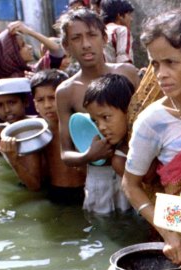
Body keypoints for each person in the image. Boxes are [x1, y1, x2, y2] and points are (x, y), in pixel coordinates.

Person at [122, 9, 181, 265]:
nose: (160, 73)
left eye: (171, 62)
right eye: (155, 64)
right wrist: (168, 233)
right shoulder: (152, 122)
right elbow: (130, 185)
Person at [55, 8, 139, 214]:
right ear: (67, 46)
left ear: (104, 38)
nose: (85, 44)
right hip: (98, 179)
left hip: (136, 169)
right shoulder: (66, 91)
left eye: (92, 35)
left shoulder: (127, 73)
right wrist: (88, 155)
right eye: (76, 38)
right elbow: (65, 154)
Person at [81, 73, 136, 213]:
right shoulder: (119, 159)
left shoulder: (147, 135)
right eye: (95, 121)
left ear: (128, 110)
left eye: (106, 117)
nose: (101, 127)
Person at [30, 69, 86, 204]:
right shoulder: (37, 131)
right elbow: (34, 182)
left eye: (52, 98)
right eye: (40, 100)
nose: (47, 105)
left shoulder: (80, 124)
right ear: (35, 105)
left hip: (85, 191)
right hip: (55, 192)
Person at [0, 21, 64, 80]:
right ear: (11, 54)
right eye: (23, 45)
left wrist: (29, 31)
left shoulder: (33, 73)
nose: (30, 47)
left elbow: (57, 50)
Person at [101, 0, 134, 64]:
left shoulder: (99, 32)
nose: (131, 19)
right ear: (120, 16)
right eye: (129, 14)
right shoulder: (122, 30)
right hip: (117, 73)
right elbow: (124, 63)